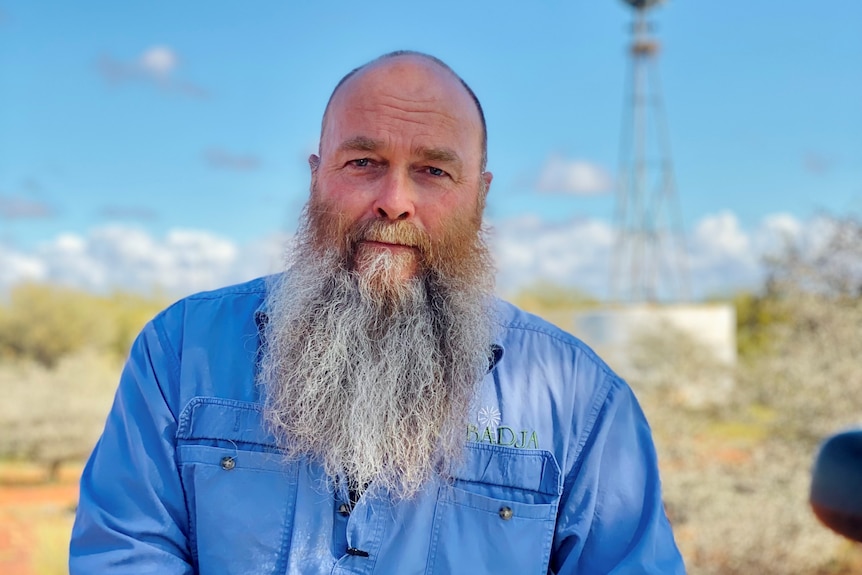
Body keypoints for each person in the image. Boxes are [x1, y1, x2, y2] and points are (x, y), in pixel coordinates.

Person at [70, 50, 686, 574]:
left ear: (480, 197)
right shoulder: (181, 352)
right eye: (363, 163)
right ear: (316, 178)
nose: (395, 201)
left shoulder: (581, 402)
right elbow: (125, 553)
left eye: (434, 170)